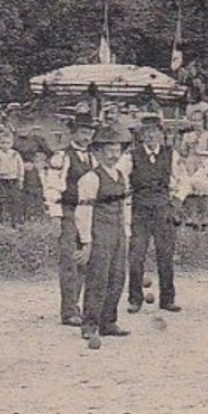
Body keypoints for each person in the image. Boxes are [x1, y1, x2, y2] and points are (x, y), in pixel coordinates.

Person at [74, 124, 134, 339]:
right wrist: (86, 241)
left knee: (117, 277)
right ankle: (90, 324)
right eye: (108, 150)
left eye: (117, 150)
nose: (112, 155)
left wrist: (126, 232)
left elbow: (126, 206)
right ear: (97, 152)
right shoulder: (91, 178)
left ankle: (108, 322)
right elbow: (83, 210)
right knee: (98, 279)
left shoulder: (121, 175)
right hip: (99, 234)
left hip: (118, 233)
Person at [126, 115, 179, 314]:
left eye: (155, 132)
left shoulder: (171, 155)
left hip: (163, 210)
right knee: (136, 255)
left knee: (165, 254)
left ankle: (167, 299)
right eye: (146, 133)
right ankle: (134, 299)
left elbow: (182, 180)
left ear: (161, 134)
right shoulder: (131, 155)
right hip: (140, 210)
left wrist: (176, 200)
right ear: (141, 136)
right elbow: (121, 178)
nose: (150, 136)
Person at [51, 115, 98, 326]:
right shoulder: (62, 157)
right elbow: (52, 186)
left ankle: (79, 306)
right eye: (83, 132)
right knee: (69, 260)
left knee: (85, 260)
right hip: (68, 211)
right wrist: (55, 214)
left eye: (90, 132)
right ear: (74, 132)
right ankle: (68, 310)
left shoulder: (94, 158)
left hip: (88, 212)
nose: (87, 136)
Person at [0, 131, 26, 223]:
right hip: (1, 180)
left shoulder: (15, 154)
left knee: (16, 199)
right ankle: (2, 219)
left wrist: (20, 179)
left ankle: (16, 220)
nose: (5, 145)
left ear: (12, 143)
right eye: (2, 143)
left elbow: (20, 167)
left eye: (8, 143)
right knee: (2, 199)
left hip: (13, 179)